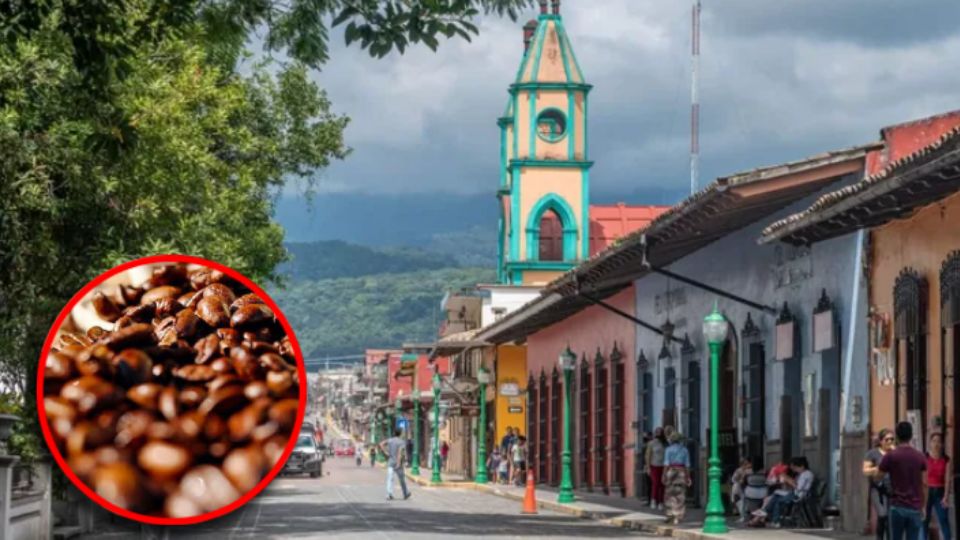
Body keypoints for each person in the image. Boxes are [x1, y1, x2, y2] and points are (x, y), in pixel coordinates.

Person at [878, 421, 926, 540]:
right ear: (911, 436)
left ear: (897, 437)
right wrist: (923, 506)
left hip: (897, 506)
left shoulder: (890, 456)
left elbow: (878, 475)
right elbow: (925, 484)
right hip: (915, 507)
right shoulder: (920, 456)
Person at [751, 456, 814, 528]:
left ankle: (772, 519)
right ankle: (766, 513)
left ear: (802, 466)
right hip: (795, 493)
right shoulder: (801, 474)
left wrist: (788, 479)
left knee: (778, 501)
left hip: (799, 495)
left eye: (795, 468)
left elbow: (799, 487)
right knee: (776, 494)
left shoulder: (806, 474)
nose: (795, 470)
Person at [864, 428, 895, 540]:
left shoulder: (894, 453)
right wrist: (879, 468)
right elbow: (865, 470)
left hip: (891, 489)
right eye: (887, 439)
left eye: (892, 439)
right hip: (877, 489)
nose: (890, 442)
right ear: (881, 441)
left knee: (890, 518)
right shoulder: (872, 453)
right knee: (882, 514)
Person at [923, 432, 951, 540]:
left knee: (944, 519)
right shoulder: (924, 457)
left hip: (940, 492)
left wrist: (946, 496)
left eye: (939, 441)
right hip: (926, 491)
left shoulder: (946, 459)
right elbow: (922, 478)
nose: (936, 444)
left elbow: (947, 479)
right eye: (934, 441)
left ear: (942, 444)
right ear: (930, 443)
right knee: (924, 520)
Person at [662, 431, 691, 525]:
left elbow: (666, 464)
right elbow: (687, 465)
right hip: (681, 472)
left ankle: (670, 514)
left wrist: (664, 475)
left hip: (671, 471)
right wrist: (688, 477)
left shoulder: (668, 450)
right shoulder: (685, 450)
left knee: (669, 493)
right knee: (680, 494)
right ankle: (678, 516)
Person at [380, 429, 411, 501]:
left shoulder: (390, 440)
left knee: (390, 479)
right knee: (402, 479)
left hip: (390, 462)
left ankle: (389, 494)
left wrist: (385, 452)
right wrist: (398, 463)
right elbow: (400, 453)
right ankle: (405, 493)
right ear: (400, 434)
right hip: (398, 464)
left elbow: (381, 444)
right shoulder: (401, 442)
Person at [645, 427, 667, 510]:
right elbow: (648, 455)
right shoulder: (651, 443)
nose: (658, 433)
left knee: (662, 484)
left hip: (663, 466)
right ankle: (653, 500)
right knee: (655, 483)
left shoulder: (665, 443)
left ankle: (661, 502)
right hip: (654, 466)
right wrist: (648, 467)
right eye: (657, 432)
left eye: (660, 432)